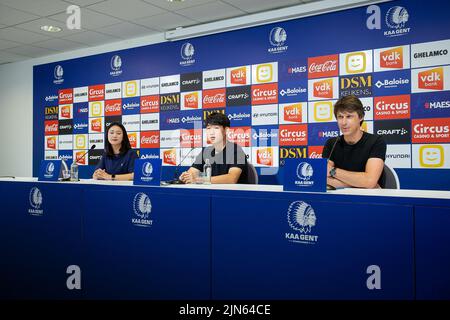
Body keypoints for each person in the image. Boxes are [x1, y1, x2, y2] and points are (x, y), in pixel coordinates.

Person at [323, 95, 386, 189]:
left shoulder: (376, 141)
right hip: (340, 199)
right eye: (340, 117)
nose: (343, 122)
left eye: (349, 116)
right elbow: (324, 179)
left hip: (368, 199)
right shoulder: (332, 143)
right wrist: (360, 184)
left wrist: (333, 171)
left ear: (360, 117)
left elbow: (369, 181)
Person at [179, 112, 249, 184]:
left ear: (226, 130)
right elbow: (192, 172)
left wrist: (198, 180)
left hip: (232, 194)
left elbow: (232, 179)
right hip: (210, 193)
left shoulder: (237, 151)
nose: (211, 132)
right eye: (208, 128)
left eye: (216, 128)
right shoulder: (206, 151)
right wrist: (186, 177)